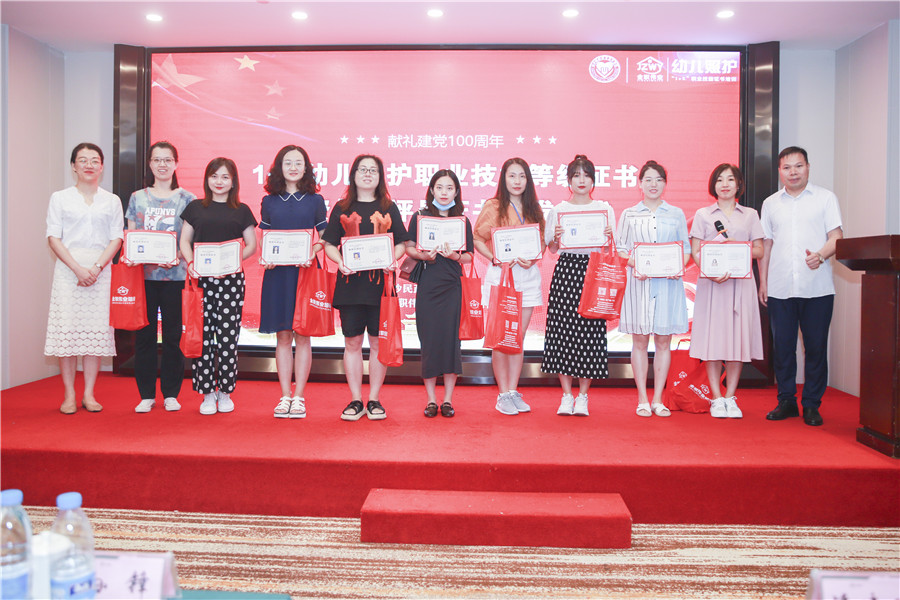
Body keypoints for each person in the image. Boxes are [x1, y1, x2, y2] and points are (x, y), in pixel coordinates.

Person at [758, 147, 843, 426]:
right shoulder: (771, 203)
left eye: (798, 166)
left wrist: (820, 255)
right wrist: (763, 281)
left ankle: (811, 405)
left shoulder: (825, 198)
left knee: (815, 348)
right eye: (787, 167)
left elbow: (837, 236)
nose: (793, 172)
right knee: (782, 347)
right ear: (779, 171)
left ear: (808, 167)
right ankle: (786, 400)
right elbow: (766, 245)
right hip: (780, 286)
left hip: (817, 288)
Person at [322, 155, 408, 421]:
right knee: (352, 341)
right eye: (363, 169)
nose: (368, 174)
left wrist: (392, 260)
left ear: (380, 176)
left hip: (380, 286)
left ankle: (374, 399)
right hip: (350, 284)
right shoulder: (341, 207)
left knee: (377, 342)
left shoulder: (388, 207)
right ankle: (356, 399)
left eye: (373, 170)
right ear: (353, 174)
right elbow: (329, 244)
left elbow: (402, 242)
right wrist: (340, 262)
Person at [45, 143, 124, 414]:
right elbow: (53, 236)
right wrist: (78, 269)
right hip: (68, 271)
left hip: (101, 271)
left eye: (94, 160)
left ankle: (89, 393)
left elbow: (117, 237)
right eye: (83, 160)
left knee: (95, 334)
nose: (89, 165)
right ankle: (69, 394)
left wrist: (97, 268)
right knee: (67, 334)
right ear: (73, 166)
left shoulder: (112, 200)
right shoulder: (60, 198)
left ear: (101, 166)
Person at [179, 157, 258, 415]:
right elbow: (185, 242)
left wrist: (232, 262)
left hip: (231, 282)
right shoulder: (195, 208)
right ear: (207, 179)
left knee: (227, 338)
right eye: (214, 176)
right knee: (202, 338)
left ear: (233, 181)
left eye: (225, 177)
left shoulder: (242, 210)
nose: (219, 181)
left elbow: (252, 245)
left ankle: (225, 392)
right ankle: (206, 393)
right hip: (201, 281)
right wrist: (191, 262)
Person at [689, 163, 764, 418]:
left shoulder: (750, 215)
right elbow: (696, 251)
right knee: (713, 341)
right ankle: (716, 398)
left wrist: (739, 246)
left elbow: (759, 250)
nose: (725, 184)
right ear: (713, 185)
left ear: (738, 184)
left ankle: (730, 396)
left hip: (740, 284)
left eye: (730, 179)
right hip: (713, 284)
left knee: (736, 341)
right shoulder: (703, 214)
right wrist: (710, 272)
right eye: (720, 180)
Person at [542, 155, 615, 416]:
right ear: (569, 181)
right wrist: (556, 238)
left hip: (593, 271)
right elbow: (551, 248)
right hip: (567, 271)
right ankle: (566, 395)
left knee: (590, 332)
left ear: (593, 180)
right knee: (562, 332)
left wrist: (608, 238)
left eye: (586, 175)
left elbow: (609, 249)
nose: (581, 180)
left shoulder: (604, 209)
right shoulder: (558, 210)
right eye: (576, 175)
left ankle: (583, 396)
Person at [126, 141, 195, 414]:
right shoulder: (137, 197)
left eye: (167, 159)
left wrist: (177, 255)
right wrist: (132, 254)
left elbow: (189, 239)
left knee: (172, 337)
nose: (162, 164)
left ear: (176, 163)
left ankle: (170, 393)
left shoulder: (187, 199)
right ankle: (146, 394)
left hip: (175, 277)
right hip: (143, 277)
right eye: (157, 159)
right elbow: (131, 236)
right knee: (144, 337)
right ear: (150, 163)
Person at [617, 160, 690, 418]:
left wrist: (677, 267)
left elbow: (686, 248)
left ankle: (658, 399)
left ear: (665, 183)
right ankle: (642, 399)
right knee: (639, 341)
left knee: (663, 341)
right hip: (639, 283)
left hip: (667, 284)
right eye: (648, 179)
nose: (653, 184)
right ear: (640, 184)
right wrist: (638, 263)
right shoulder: (629, 214)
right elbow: (620, 249)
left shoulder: (676, 214)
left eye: (658, 179)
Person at [259, 145, 328, 420]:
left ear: (306, 168)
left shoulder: (315, 200)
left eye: (299, 163)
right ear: (279, 167)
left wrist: (313, 250)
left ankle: (299, 396)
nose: (293, 167)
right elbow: (265, 237)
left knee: (303, 333)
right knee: (283, 335)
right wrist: (267, 256)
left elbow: (325, 236)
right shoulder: (269, 201)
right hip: (278, 273)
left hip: (305, 271)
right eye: (288, 162)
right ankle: (284, 395)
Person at [473, 157, 546, 416]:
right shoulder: (493, 206)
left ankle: (513, 390)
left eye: (522, 176)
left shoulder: (534, 208)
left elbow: (541, 243)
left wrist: (533, 258)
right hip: (500, 278)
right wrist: (494, 257)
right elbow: (477, 238)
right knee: (500, 338)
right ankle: (502, 394)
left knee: (517, 338)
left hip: (527, 278)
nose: (517, 181)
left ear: (528, 180)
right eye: (512, 176)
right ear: (504, 179)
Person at [405, 169, 474, 418]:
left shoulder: (462, 221)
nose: (444, 193)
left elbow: (469, 256)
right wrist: (423, 255)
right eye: (440, 187)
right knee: (429, 341)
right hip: (428, 285)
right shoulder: (420, 217)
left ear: (457, 192)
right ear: (432, 190)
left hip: (451, 286)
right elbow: (409, 248)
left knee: (451, 341)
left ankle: (447, 400)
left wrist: (455, 256)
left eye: (450, 188)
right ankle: (431, 400)